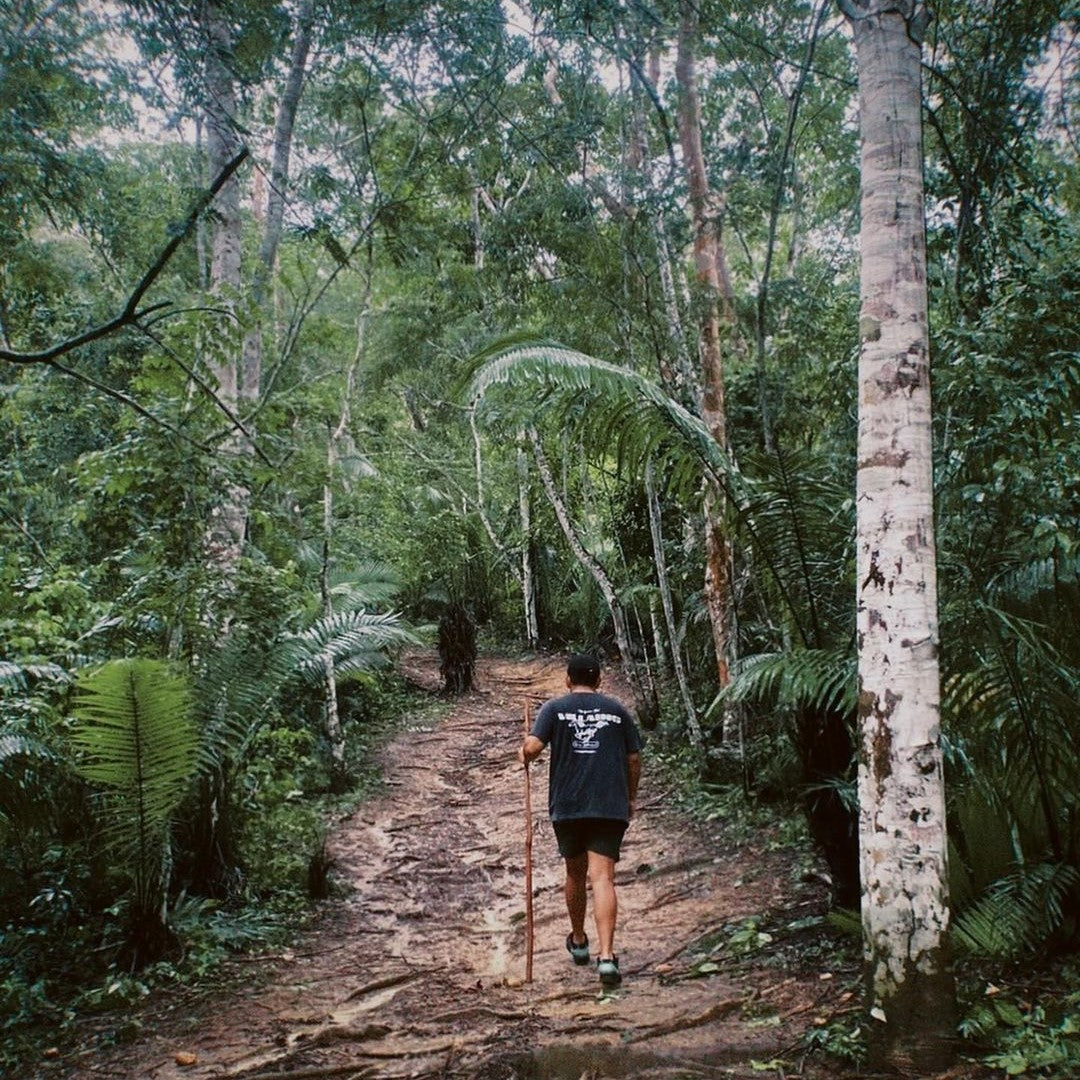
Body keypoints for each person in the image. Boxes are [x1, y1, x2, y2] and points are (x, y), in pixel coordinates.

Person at [519, 653, 642, 987]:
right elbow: (633, 758)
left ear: (568, 680)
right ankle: (606, 957)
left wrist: (524, 751)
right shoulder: (617, 711)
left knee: (574, 873)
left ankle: (578, 941)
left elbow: (533, 748)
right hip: (609, 804)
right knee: (603, 879)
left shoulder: (553, 709)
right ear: (599, 680)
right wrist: (630, 797)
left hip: (569, 804)